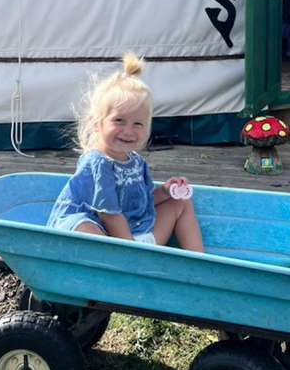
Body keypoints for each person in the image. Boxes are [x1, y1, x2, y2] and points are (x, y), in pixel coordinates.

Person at [46, 53, 204, 252]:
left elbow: (143, 202)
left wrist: (165, 191)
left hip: (132, 232)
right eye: (119, 120)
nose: (128, 131)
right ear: (96, 122)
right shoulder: (97, 162)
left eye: (138, 124)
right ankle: (127, 261)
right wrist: (131, 252)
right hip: (106, 236)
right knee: (84, 228)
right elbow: (108, 214)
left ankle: (199, 261)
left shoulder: (136, 162)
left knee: (181, 202)